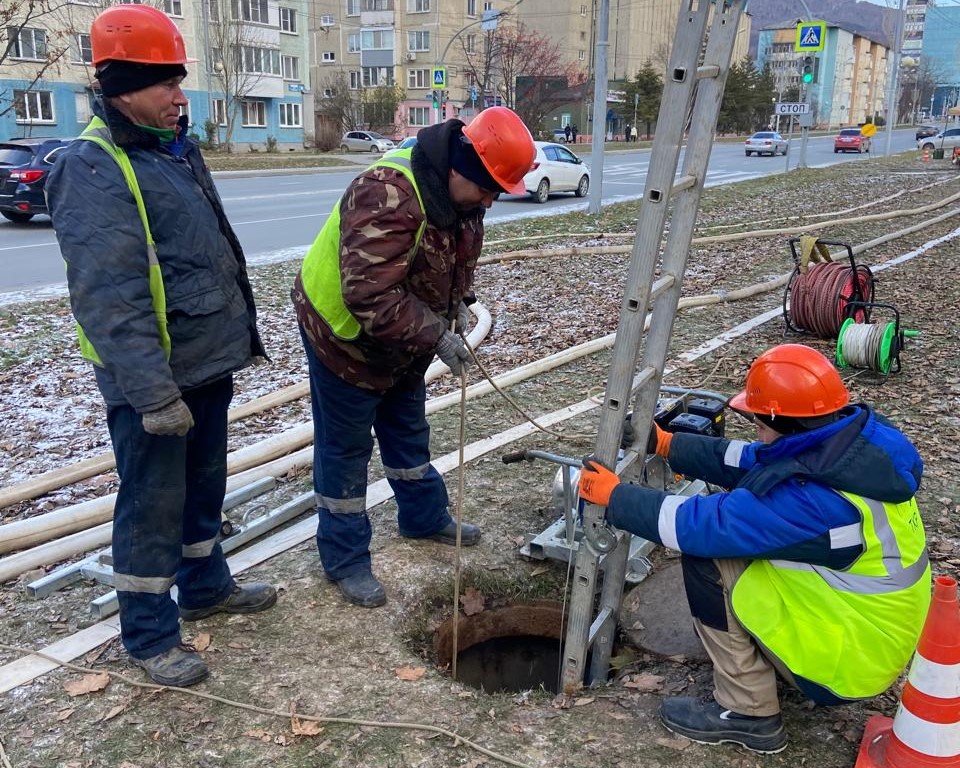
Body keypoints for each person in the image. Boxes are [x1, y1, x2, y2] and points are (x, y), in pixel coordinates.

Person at [46, 4, 277, 688]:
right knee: (152, 503)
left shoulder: (172, 145)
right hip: (154, 381)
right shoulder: (93, 165)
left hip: (204, 361)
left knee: (204, 489)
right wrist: (152, 395)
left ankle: (206, 586)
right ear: (120, 85)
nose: (181, 96)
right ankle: (148, 635)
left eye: (180, 80)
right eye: (165, 83)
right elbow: (109, 295)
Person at [579, 344, 930, 754]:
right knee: (741, 536)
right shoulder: (849, 448)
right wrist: (670, 444)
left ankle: (748, 713)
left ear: (785, 420)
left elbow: (699, 525)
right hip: (868, 633)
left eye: (759, 421)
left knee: (709, 557)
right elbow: (750, 459)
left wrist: (615, 498)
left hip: (847, 662)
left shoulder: (815, 502)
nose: (755, 429)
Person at [292, 107, 535, 608]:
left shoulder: (465, 199)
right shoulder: (387, 193)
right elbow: (369, 297)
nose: (492, 199)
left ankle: (424, 518)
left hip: (402, 335)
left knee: (406, 426)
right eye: (489, 187)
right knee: (346, 449)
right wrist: (435, 335)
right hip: (344, 339)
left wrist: (459, 303)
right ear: (460, 167)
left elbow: (453, 257)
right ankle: (345, 559)